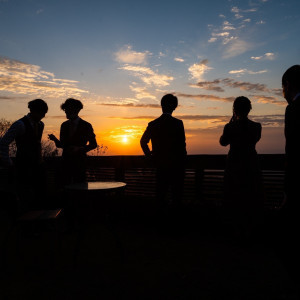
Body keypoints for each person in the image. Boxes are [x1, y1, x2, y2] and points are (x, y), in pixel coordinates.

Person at [219, 96, 262, 237]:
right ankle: (249, 231)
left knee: (233, 199)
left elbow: (223, 142)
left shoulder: (230, 127)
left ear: (234, 110)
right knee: (249, 199)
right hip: (251, 165)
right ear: (249, 109)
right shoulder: (257, 127)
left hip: (234, 167)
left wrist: (232, 121)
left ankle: (234, 231)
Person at [140, 94, 187, 220]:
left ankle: (160, 222)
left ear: (161, 105)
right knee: (176, 196)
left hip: (160, 165)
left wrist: (149, 155)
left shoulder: (153, 124)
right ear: (175, 107)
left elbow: (143, 141)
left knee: (160, 195)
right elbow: (182, 146)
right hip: (176, 166)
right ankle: (174, 222)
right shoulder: (178, 124)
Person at [0, 99, 48, 212]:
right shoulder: (19, 124)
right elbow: (3, 143)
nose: (43, 116)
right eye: (42, 113)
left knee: (39, 195)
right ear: (33, 111)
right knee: (25, 196)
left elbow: (37, 144)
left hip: (38, 166)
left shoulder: (41, 125)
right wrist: (9, 162)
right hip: (23, 166)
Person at [280, 65, 300, 287]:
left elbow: (292, 152)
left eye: (282, 87)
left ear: (288, 85)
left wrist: (287, 189)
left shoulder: (293, 110)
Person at [49, 98, 97, 184]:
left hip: (79, 164)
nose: (66, 111)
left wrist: (80, 149)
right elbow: (61, 145)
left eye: (68, 109)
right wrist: (55, 140)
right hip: (65, 164)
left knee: (79, 189)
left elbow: (93, 144)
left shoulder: (86, 125)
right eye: (65, 109)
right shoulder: (64, 125)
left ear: (76, 110)